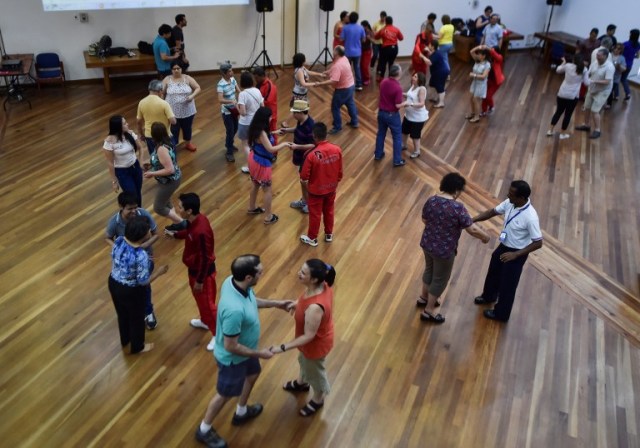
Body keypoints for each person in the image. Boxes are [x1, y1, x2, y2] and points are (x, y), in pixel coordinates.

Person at [193, 254, 293, 448]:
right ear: (248, 277)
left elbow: (253, 300)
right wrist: (261, 353)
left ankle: (241, 412)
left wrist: (277, 303)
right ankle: (204, 430)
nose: (262, 274)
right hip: (233, 358)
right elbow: (231, 346)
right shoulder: (234, 310)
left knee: (254, 373)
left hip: (247, 351)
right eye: (260, 272)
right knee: (224, 394)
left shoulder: (233, 282)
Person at [418, 173, 490, 323]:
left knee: (429, 270)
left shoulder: (432, 200)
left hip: (427, 244)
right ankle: (429, 311)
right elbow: (472, 229)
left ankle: (423, 298)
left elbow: (424, 219)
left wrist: (436, 229)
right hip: (444, 251)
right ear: (456, 190)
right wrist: (485, 237)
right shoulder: (457, 208)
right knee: (440, 278)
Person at [269, 259, 337, 416]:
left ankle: (318, 400)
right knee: (304, 362)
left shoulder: (315, 308)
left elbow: (308, 336)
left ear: (313, 279)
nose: (298, 273)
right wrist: (297, 303)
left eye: (303, 273)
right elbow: (307, 297)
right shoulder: (322, 285)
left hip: (315, 345)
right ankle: (301, 383)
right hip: (310, 342)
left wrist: (282, 347)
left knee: (315, 373)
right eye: (301, 269)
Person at [472, 180, 543, 322]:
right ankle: (489, 296)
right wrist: (473, 220)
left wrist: (515, 254)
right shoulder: (510, 203)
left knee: (508, 285)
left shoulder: (530, 217)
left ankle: (501, 314)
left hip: (517, 252)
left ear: (521, 198)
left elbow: (538, 242)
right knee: (493, 271)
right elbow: (493, 212)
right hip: (505, 245)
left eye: (511, 194)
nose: (507, 196)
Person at [165, 193, 218, 351]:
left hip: (203, 275)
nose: (177, 209)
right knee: (201, 301)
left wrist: (200, 281)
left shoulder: (201, 230)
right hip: (194, 271)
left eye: (180, 207)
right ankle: (205, 320)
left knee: (208, 305)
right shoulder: (194, 221)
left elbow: (206, 258)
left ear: (188, 211)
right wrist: (175, 235)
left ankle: (217, 334)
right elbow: (188, 234)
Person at [108, 216, 168, 354]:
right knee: (137, 319)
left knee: (122, 314)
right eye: (148, 231)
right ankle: (138, 346)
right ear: (142, 235)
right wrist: (158, 273)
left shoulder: (118, 241)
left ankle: (125, 340)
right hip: (131, 291)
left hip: (113, 282)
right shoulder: (141, 256)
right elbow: (143, 282)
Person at [105, 192, 160, 330]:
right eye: (130, 208)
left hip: (146, 259)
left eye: (136, 207)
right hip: (126, 264)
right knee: (130, 290)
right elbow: (108, 237)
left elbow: (156, 234)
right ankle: (134, 313)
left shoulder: (144, 215)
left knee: (144, 287)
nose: (134, 211)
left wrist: (142, 247)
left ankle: (148, 311)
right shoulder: (114, 222)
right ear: (121, 207)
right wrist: (121, 250)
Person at [299, 123, 343, 247]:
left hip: (316, 191)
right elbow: (340, 171)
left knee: (315, 214)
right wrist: (336, 181)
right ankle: (329, 234)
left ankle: (312, 238)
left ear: (314, 136)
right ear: (326, 133)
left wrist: (307, 186)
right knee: (329, 211)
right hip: (332, 188)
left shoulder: (311, 155)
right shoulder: (337, 149)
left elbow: (303, 176)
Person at [246, 107, 291, 225]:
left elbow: (263, 138)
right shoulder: (261, 132)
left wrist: (274, 132)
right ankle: (268, 217)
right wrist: (285, 144)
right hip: (261, 163)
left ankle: (252, 207)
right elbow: (270, 149)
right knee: (267, 190)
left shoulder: (255, 128)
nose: (272, 118)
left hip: (253, 159)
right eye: (270, 117)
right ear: (265, 119)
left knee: (255, 184)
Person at [143, 122, 184, 230]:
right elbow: (163, 162)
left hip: (169, 181)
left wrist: (152, 173)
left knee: (158, 207)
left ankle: (182, 223)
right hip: (168, 180)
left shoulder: (161, 149)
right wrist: (151, 165)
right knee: (167, 201)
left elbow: (169, 170)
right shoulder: (166, 142)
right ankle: (177, 223)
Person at [278, 99, 316, 215]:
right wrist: (286, 131)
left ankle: (310, 204)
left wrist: (296, 146)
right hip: (299, 155)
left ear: (301, 112)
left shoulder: (310, 126)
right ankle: (304, 200)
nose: (293, 115)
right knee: (302, 180)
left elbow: (313, 145)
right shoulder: (301, 121)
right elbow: (297, 129)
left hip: (306, 158)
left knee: (306, 181)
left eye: (295, 113)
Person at [103, 115, 144, 207]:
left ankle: (139, 211)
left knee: (138, 192)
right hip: (122, 172)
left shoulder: (130, 134)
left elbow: (141, 148)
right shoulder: (109, 142)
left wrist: (141, 163)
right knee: (132, 194)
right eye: (125, 123)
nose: (127, 124)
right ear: (118, 127)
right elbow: (110, 162)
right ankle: (133, 212)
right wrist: (114, 181)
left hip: (135, 167)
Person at [316, 46, 358, 135]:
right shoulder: (344, 58)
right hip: (350, 86)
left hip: (342, 90)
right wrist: (328, 72)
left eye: (334, 49)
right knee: (350, 104)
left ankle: (337, 127)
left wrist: (320, 84)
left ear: (336, 53)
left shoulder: (338, 65)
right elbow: (335, 69)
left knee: (335, 107)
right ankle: (355, 122)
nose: (333, 49)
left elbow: (333, 80)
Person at [546, 53, 589, 140]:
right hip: (573, 96)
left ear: (573, 60)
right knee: (568, 115)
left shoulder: (568, 66)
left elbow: (558, 70)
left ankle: (550, 130)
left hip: (562, 93)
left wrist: (563, 62)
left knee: (558, 112)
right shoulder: (584, 70)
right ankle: (562, 134)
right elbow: (587, 83)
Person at [575, 48, 614, 139]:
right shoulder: (594, 63)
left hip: (602, 91)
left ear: (605, 56)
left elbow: (607, 81)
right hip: (592, 89)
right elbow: (588, 74)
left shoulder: (610, 67)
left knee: (595, 110)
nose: (597, 57)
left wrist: (594, 81)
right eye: (597, 55)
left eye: (599, 56)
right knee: (587, 107)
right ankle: (586, 125)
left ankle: (597, 130)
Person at [162, 62, 200, 152]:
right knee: (173, 129)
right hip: (172, 111)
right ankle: (173, 145)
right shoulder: (167, 79)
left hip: (188, 110)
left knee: (187, 127)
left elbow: (198, 88)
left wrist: (192, 96)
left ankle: (188, 143)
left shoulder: (187, 78)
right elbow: (161, 92)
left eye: (178, 68)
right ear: (171, 70)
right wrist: (162, 104)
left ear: (181, 69)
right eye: (174, 69)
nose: (176, 70)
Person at [374, 64, 406, 167]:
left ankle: (378, 154)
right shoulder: (398, 88)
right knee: (397, 137)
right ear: (398, 74)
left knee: (381, 134)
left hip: (381, 112)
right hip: (392, 115)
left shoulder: (383, 82)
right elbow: (397, 105)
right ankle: (397, 160)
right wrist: (405, 103)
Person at [137, 79, 176, 155]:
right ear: (160, 91)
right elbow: (173, 121)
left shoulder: (141, 102)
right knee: (170, 156)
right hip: (165, 135)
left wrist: (141, 134)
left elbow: (138, 122)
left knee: (154, 157)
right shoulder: (164, 103)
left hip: (150, 135)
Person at [237, 71, 264, 174]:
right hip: (256, 122)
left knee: (246, 145)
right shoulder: (257, 90)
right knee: (256, 144)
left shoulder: (242, 94)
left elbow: (243, 113)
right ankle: (259, 164)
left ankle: (251, 166)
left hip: (245, 123)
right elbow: (262, 106)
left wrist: (236, 106)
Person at [217, 63, 240, 163]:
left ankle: (228, 143)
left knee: (236, 128)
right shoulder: (220, 84)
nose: (232, 72)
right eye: (230, 71)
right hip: (227, 112)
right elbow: (220, 100)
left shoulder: (233, 79)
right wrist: (231, 101)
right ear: (224, 73)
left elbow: (238, 90)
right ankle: (229, 152)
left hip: (235, 109)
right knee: (230, 131)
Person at [402, 72, 428, 159]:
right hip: (408, 115)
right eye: (413, 76)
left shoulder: (421, 89)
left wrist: (410, 104)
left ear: (420, 79)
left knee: (415, 136)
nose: (413, 78)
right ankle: (404, 145)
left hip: (417, 118)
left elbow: (421, 103)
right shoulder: (413, 86)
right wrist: (401, 93)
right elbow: (409, 95)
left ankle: (417, 151)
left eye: (415, 77)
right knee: (404, 131)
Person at [340, 11, 366, 91]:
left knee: (347, 68)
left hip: (347, 52)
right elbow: (364, 40)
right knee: (357, 68)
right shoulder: (361, 28)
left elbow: (341, 39)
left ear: (350, 18)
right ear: (357, 19)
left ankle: (346, 84)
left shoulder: (345, 27)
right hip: (357, 52)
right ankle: (359, 85)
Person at [252, 67, 278, 143]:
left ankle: (274, 151)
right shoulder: (259, 84)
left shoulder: (270, 86)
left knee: (272, 132)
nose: (255, 80)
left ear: (262, 76)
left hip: (270, 114)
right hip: (263, 113)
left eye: (256, 78)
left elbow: (268, 101)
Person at [466, 46, 491, 123]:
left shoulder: (487, 65)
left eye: (479, 54)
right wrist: (479, 47)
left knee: (475, 99)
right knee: (471, 98)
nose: (477, 55)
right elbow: (471, 51)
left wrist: (474, 75)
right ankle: (473, 113)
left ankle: (477, 116)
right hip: (475, 82)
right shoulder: (477, 60)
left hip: (481, 84)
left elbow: (484, 76)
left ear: (484, 56)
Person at [374, 16, 404, 80]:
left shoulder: (383, 29)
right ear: (392, 22)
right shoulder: (396, 29)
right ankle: (391, 78)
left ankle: (381, 77)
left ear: (385, 22)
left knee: (383, 63)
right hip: (394, 49)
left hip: (385, 49)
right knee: (391, 63)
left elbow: (376, 37)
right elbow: (401, 38)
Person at [480, 44, 505, 116]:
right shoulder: (489, 59)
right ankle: (484, 110)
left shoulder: (499, 58)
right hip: (489, 80)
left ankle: (491, 106)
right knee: (484, 96)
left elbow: (495, 55)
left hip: (496, 82)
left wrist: (488, 48)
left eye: (493, 51)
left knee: (488, 96)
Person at [427, 41, 450, 108]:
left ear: (433, 46)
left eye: (429, 44)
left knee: (439, 86)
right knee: (432, 83)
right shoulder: (435, 52)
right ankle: (434, 97)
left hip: (441, 72)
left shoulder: (437, 54)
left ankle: (441, 103)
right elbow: (431, 55)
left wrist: (422, 56)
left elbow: (430, 63)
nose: (428, 45)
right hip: (437, 72)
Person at [621, 29, 640, 101]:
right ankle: (628, 93)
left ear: (632, 35)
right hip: (629, 65)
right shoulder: (638, 45)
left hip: (621, 64)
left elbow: (620, 53)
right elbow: (638, 56)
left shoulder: (626, 44)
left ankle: (615, 95)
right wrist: (632, 57)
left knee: (615, 79)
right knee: (624, 79)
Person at [360, 20, 374, 86]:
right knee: (361, 65)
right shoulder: (361, 31)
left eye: (362, 26)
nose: (361, 27)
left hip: (367, 51)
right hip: (361, 50)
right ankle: (362, 78)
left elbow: (373, 40)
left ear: (365, 26)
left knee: (365, 66)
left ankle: (367, 79)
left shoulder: (369, 32)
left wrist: (369, 38)